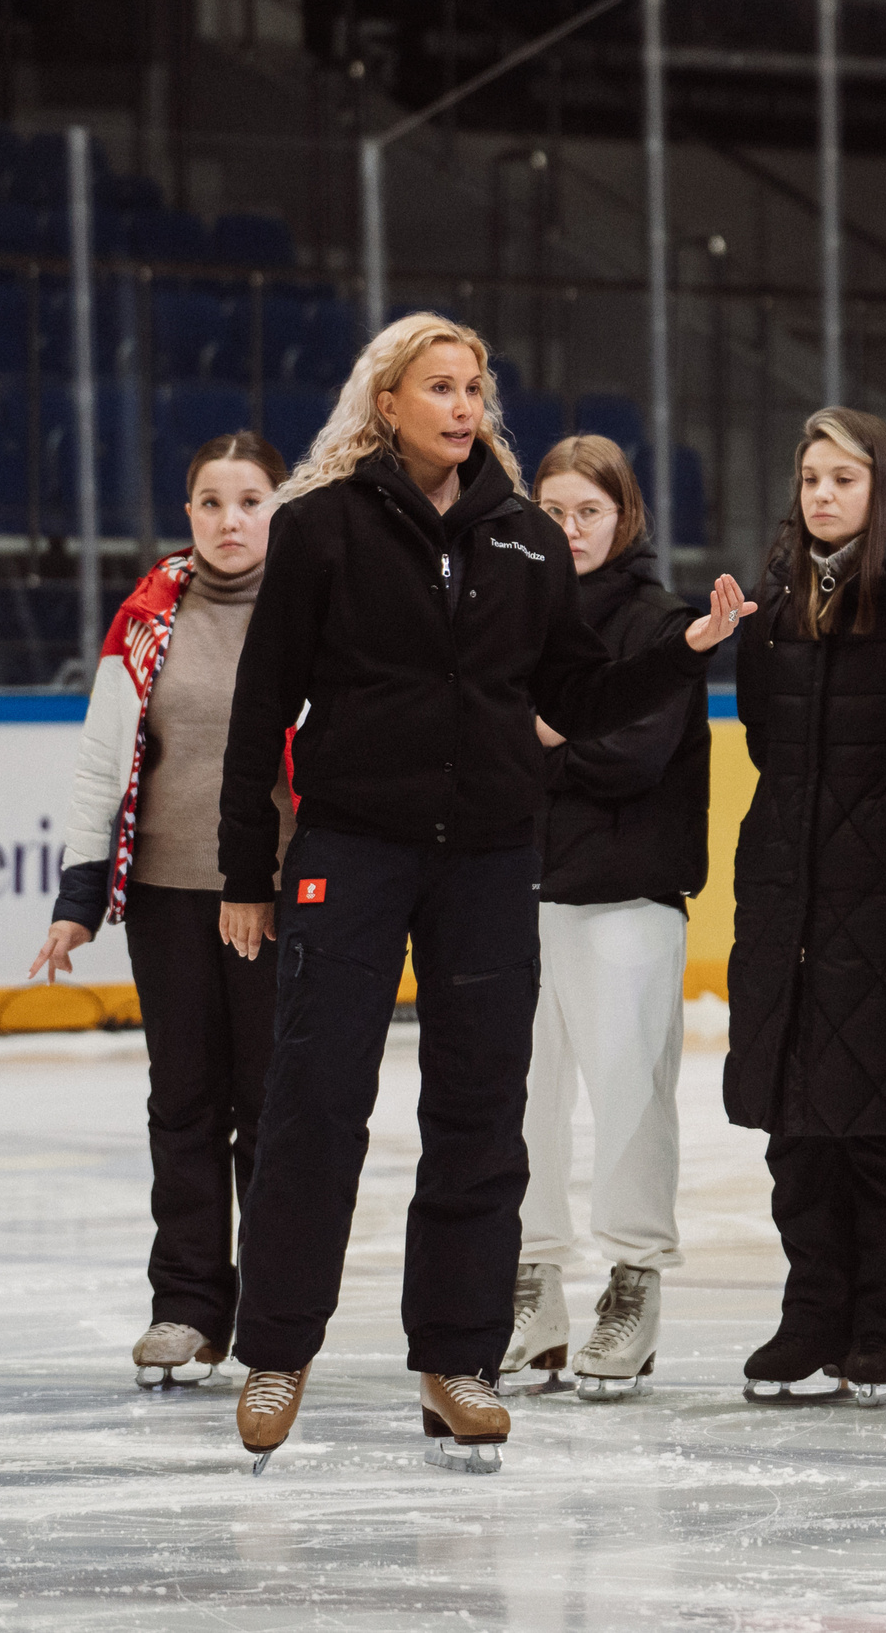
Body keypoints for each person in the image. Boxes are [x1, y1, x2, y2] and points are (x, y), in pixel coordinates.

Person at [215, 313, 752, 1474]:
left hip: (492, 859)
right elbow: (263, 710)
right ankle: (276, 1350)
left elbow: (577, 691)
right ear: (386, 402)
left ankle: (458, 1361)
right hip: (350, 850)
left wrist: (686, 647)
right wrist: (244, 875)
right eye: (439, 386)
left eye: (476, 388)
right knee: (312, 1104)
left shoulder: (524, 539)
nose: (463, 405)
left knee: (478, 1114)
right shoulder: (319, 529)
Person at [33, 432, 296, 1391]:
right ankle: (185, 1305)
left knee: (275, 1110)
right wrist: (77, 895)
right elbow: (103, 762)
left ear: (281, 506)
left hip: (277, 897)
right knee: (183, 1101)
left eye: (251, 500)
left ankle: (274, 1310)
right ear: (186, 513)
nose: (232, 520)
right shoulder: (146, 617)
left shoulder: (317, 608)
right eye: (212, 502)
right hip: (164, 897)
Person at [725, 405, 886, 1405]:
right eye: (811, 478)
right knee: (798, 1123)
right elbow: (763, 739)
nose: (822, 495)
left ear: (883, 490)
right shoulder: (779, 594)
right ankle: (811, 1309)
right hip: (788, 879)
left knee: (880, 1119)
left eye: (844, 479)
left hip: (882, 888)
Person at [501, 435, 711, 1403]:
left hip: (626, 897)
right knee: (521, 1101)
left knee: (631, 1100)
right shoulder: (512, 617)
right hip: (515, 892)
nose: (569, 529)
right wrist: (548, 736)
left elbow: (633, 755)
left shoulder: (661, 621)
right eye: (551, 511)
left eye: (587, 511)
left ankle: (633, 1283)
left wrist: (537, 739)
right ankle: (530, 1286)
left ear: (623, 515)